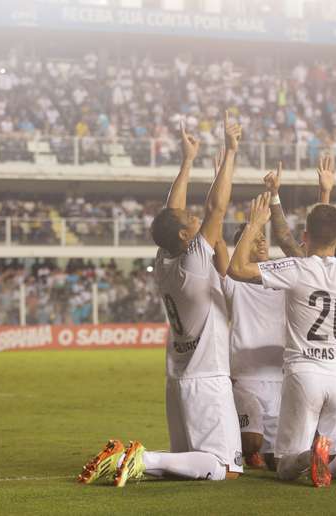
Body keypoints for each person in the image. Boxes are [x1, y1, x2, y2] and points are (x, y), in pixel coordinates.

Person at [78, 113, 244, 486]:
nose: (197, 219)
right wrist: (231, 153)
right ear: (186, 236)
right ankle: (143, 456)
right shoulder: (195, 264)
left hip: (179, 378)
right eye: (191, 220)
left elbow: (173, 215)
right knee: (225, 468)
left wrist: (187, 161)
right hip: (207, 377)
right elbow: (217, 209)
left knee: (186, 463)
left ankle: (124, 461)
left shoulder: (166, 258)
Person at [228, 188, 336, 488]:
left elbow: (236, 269)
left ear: (306, 235)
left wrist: (255, 224)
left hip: (304, 374)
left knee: (286, 466)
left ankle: (311, 455)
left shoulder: (295, 269)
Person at [222, 223, 286, 470]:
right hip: (246, 377)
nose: (261, 242)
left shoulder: (284, 278)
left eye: (263, 238)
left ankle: (260, 452)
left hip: (279, 378)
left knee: (278, 464)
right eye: (254, 239)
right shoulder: (234, 281)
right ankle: (227, 447)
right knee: (251, 442)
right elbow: (220, 250)